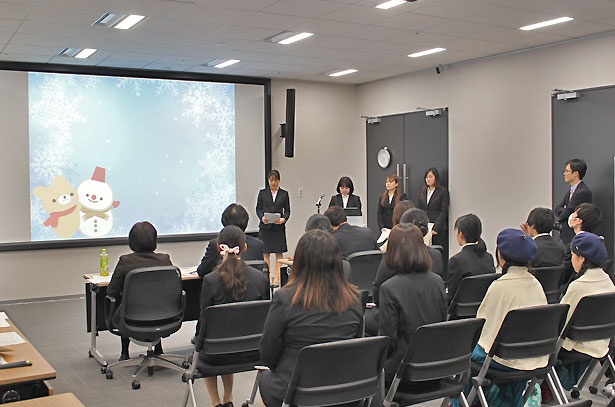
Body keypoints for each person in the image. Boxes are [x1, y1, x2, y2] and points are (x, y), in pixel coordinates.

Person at [258, 230, 363, 407]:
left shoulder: (284, 299)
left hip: (296, 393)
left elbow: (268, 355)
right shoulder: (355, 299)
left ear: (299, 262)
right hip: (345, 392)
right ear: (337, 262)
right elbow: (357, 348)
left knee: (265, 380)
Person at [453, 228, 546, 407]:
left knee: (464, 355)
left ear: (501, 256)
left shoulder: (499, 287)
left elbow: (483, 326)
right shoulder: (536, 284)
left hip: (504, 358)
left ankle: (459, 403)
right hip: (534, 356)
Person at [200, 225, 270, 407]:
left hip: (216, 354)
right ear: (245, 248)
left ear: (218, 247)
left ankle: (216, 402)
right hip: (254, 352)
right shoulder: (259, 278)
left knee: (213, 341)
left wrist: (198, 346)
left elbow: (203, 325)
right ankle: (228, 397)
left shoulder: (210, 280)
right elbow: (267, 320)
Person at [379, 223, 447, 384]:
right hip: (436, 367)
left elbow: (387, 342)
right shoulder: (437, 281)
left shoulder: (389, 288)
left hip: (403, 373)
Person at [366, 209, 444, 336]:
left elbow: (388, 339)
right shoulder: (437, 281)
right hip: (432, 349)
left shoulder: (389, 288)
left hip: (403, 354)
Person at [556, 232, 615, 390]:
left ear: (582, 258)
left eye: (573, 255)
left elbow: (560, 322)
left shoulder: (578, 286)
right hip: (600, 344)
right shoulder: (609, 282)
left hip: (576, 346)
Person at [107, 221, 173, 360]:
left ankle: (125, 353)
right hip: (164, 316)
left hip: (132, 319)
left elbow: (111, 291)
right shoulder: (164, 260)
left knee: (124, 299)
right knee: (155, 298)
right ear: (154, 240)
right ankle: (158, 347)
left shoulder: (126, 261)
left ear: (131, 241)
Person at [196, 203, 264, 278]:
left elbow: (202, 271)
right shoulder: (257, 244)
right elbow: (260, 274)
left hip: (221, 287)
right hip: (251, 288)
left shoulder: (216, 244)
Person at [446, 214, 495, 302]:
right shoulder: (488, 258)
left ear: (460, 234)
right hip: (483, 310)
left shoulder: (456, 261)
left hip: (459, 314)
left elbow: (451, 297)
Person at [256, 170, 290, 286]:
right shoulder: (262, 193)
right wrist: (262, 218)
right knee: (265, 253)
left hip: (278, 228)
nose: (273, 182)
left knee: (278, 253)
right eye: (271, 180)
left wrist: (283, 219)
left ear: (279, 180)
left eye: (275, 180)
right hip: (265, 227)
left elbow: (287, 211)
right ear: (268, 180)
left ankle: (277, 279)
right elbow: (258, 209)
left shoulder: (284, 194)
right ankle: (268, 278)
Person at [561, 203, 602, 286]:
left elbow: (563, 276)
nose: (571, 216)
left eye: (574, 213)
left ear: (579, 221)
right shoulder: (598, 244)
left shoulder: (574, 247)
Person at [555, 159, 592, 245]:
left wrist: (564, 210)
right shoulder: (571, 191)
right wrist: (563, 210)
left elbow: (567, 212)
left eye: (567, 171)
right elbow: (557, 209)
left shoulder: (582, 192)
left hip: (573, 236)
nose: (564, 173)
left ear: (576, 173)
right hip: (566, 235)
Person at [418, 167, 450, 258]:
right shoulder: (424, 191)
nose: (428, 179)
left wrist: (436, 228)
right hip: (425, 227)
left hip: (437, 228)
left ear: (436, 178)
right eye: (426, 177)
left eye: (430, 177)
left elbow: (444, 211)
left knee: (437, 253)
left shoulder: (442, 192)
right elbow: (421, 209)